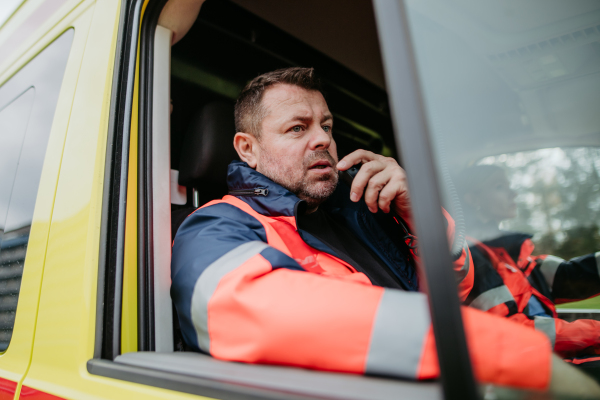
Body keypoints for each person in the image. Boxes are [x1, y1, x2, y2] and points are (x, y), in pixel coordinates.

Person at [170, 67, 599, 394]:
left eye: (327, 126)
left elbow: (460, 290)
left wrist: (421, 217)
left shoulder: (365, 209)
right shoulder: (216, 226)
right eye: (297, 128)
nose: (321, 139)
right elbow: (247, 312)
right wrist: (501, 351)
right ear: (248, 149)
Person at [457, 164, 600, 360]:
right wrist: (596, 333)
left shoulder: (513, 256)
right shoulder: (472, 257)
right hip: (528, 367)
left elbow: (573, 275)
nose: (513, 193)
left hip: (550, 359)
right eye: (500, 187)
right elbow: (510, 330)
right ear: (473, 199)